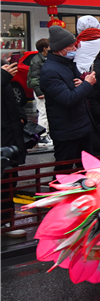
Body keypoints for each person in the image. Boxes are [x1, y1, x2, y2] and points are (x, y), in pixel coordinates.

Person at [40, 26, 97, 166]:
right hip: (66, 131)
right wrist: (87, 84)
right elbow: (68, 99)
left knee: (86, 170)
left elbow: (80, 89)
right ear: (60, 48)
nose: (74, 49)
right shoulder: (49, 71)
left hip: (83, 127)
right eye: (71, 46)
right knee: (64, 172)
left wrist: (83, 83)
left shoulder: (69, 64)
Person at [1, 62, 27, 237]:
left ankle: (6, 223)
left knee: (9, 181)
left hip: (9, 136)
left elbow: (11, 100)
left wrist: (21, 117)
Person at [27, 38, 52, 146]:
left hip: (45, 89)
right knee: (43, 113)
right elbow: (34, 78)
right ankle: (42, 136)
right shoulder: (37, 60)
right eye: (49, 46)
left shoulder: (43, 58)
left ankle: (45, 134)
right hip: (41, 90)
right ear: (45, 48)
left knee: (46, 113)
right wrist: (39, 92)